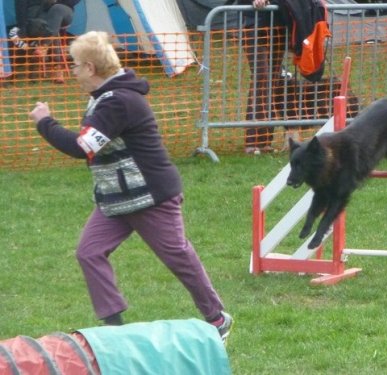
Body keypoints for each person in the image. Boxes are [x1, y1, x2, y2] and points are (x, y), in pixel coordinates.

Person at [28, 31, 233, 344]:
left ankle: (217, 318)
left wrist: (46, 122)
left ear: (90, 68)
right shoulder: (104, 97)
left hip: (151, 195)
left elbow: (83, 147)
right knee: (89, 252)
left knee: (177, 256)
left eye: (75, 65)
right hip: (118, 198)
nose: (72, 71)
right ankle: (114, 327)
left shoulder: (119, 102)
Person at [236, 0, 288, 154]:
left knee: (273, 80)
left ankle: (265, 140)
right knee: (262, 77)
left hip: (278, 24)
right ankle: (252, 141)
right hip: (254, 24)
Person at [10, 0, 81, 83]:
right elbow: (20, 9)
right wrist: (23, 27)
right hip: (39, 19)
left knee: (56, 10)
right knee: (50, 27)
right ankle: (57, 67)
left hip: (63, 10)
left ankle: (42, 48)